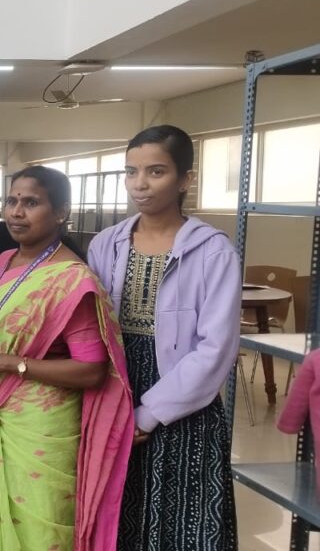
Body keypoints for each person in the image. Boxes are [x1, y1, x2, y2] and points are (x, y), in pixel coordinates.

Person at [0, 165, 133, 551]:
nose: (16, 212)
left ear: (61, 212)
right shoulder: (6, 261)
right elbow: (6, 333)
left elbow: (92, 370)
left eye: (31, 203)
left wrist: (7, 364)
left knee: (37, 535)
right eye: (12, 200)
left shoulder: (72, 279)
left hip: (41, 432)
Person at [87, 125, 239, 550]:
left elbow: (215, 349)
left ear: (186, 179)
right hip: (115, 391)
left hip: (185, 404)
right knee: (118, 514)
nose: (140, 183)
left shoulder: (213, 251)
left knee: (182, 522)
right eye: (131, 171)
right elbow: (92, 328)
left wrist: (150, 413)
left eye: (156, 172)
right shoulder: (105, 244)